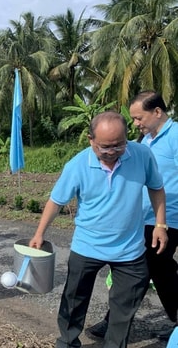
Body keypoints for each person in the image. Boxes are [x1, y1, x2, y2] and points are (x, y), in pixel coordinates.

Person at [28, 111, 168, 348]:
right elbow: (56, 201)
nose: (111, 152)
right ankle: (68, 341)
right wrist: (40, 233)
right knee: (74, 299)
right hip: (88, 245)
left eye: (118, 145)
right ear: (91, 139)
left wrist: (160, 224)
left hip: (129, 249)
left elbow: (156, 188)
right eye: (105, 147)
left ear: (127, 138)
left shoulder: (142, 155)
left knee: (124, 308)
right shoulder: (77, 165)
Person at [87, 92, 178, 341]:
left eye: (139, 117)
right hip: (142, 218)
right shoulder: (146, 141)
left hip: (167, 219)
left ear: (157, 112)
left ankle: (114, 323)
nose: (136, 123)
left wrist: (163, 220)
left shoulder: (175, 136)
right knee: (158, 271)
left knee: (141, 270)